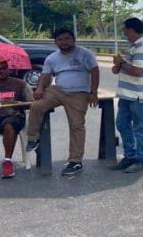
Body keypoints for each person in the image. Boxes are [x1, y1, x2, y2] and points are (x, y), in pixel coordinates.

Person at [26, 28, 100, 176]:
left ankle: (75, 161)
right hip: (58, 90)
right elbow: (45, 75)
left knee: (76, 125)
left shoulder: (85, 53)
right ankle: (33, 138)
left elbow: (95, 71)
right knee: (36, 105)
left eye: (67, 39)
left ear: (74, 39)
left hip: (79, 92)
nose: (64, 42)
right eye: (60, 40)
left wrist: (93, 92)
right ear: (55, 42)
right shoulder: (52, 58)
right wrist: (40, 88)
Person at [110, 17, 143, 173]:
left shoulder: (142, 47)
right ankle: (130, 155)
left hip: (138, 95)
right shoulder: (132, 47)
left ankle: (141, 159)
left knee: (140, 127)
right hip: (127, 94)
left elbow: (137, 71)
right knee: (122, 124)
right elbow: (120, 69)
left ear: (131, 29)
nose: (124, 33)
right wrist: (118, 64)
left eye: (126, 30)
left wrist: (121, 63)